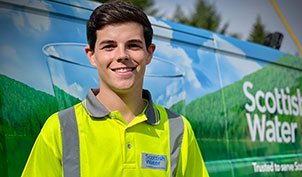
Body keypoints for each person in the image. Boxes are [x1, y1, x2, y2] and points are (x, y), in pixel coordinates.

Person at [22, 1, 209, 177]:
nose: (122, 55)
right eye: (109, 46)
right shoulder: (59, 128)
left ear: (149, 53)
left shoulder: (178, 128)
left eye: (133, 45)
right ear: (92, 55)